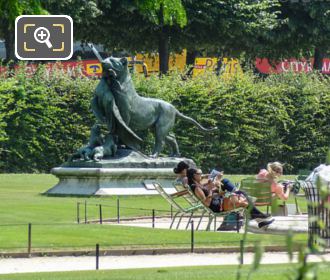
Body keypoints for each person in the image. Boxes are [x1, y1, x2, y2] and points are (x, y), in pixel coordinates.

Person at [187, 168, 274, 228]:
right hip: (217, 206)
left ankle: (260, 220)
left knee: (237, 194)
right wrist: (211, 189)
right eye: (199, 174)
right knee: (242, 200)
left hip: (218, 201)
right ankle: (261, 218)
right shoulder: (197, 188)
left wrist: (214, 188)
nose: (201, 175)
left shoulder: (198, 185)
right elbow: (206, 203)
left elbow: (210, 195)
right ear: (194, 175)